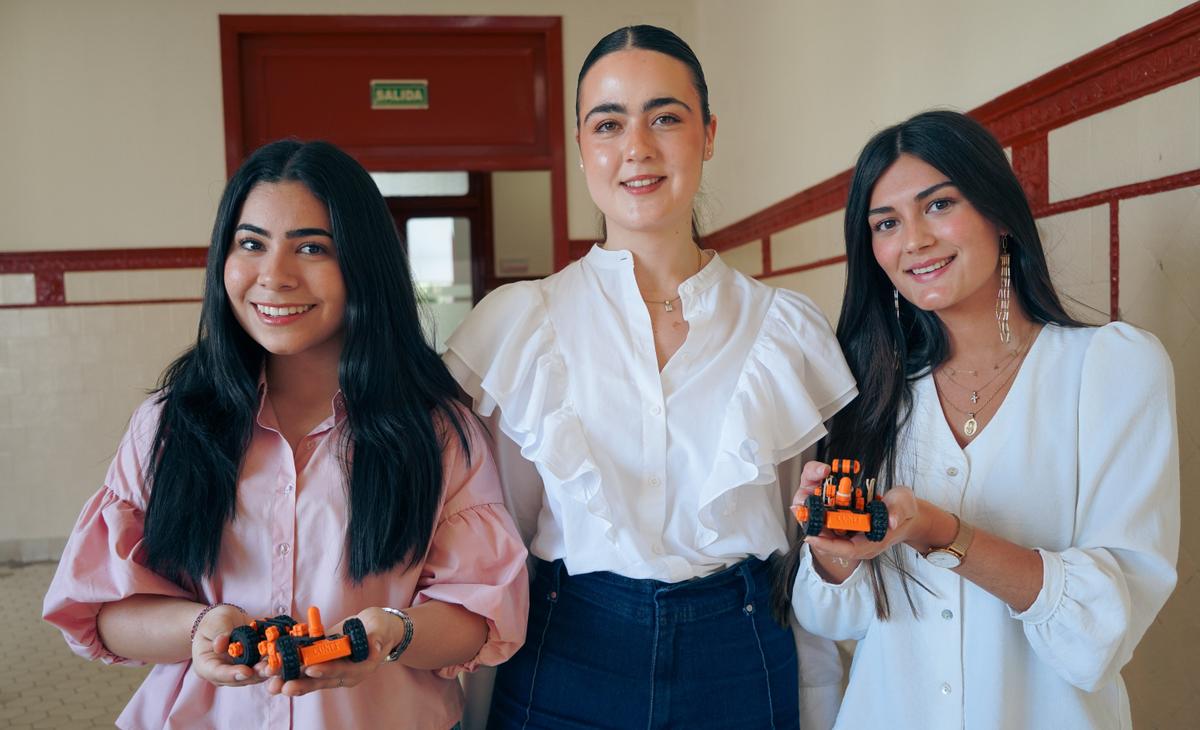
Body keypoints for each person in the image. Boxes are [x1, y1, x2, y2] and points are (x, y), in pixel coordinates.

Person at [444, 25, 856, 730]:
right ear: (581, 146)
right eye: (609, 124)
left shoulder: (783, 328)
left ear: (709, 133)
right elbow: (498, 532)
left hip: (741, 651)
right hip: (566, 650)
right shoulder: (519, 325)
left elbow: (801, 548)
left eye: (666, 117)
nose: (637, 148)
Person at [43, 140, 529, 730]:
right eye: (252, 243)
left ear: (363, 264)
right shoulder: (171, 424)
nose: (274, 276)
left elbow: (478, 617)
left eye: (311, 247)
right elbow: (103, 611)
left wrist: (388, 636)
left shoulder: (437, 432)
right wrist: (198, 630)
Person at [783, 110, 1179, 729]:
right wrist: (835, 550)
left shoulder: (1109, 368)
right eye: (886, 223)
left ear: (998, 212)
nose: (912, 239)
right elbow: (835, 619)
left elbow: (1103, 629)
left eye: (938, 205)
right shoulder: (875, 392)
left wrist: (944, 534)